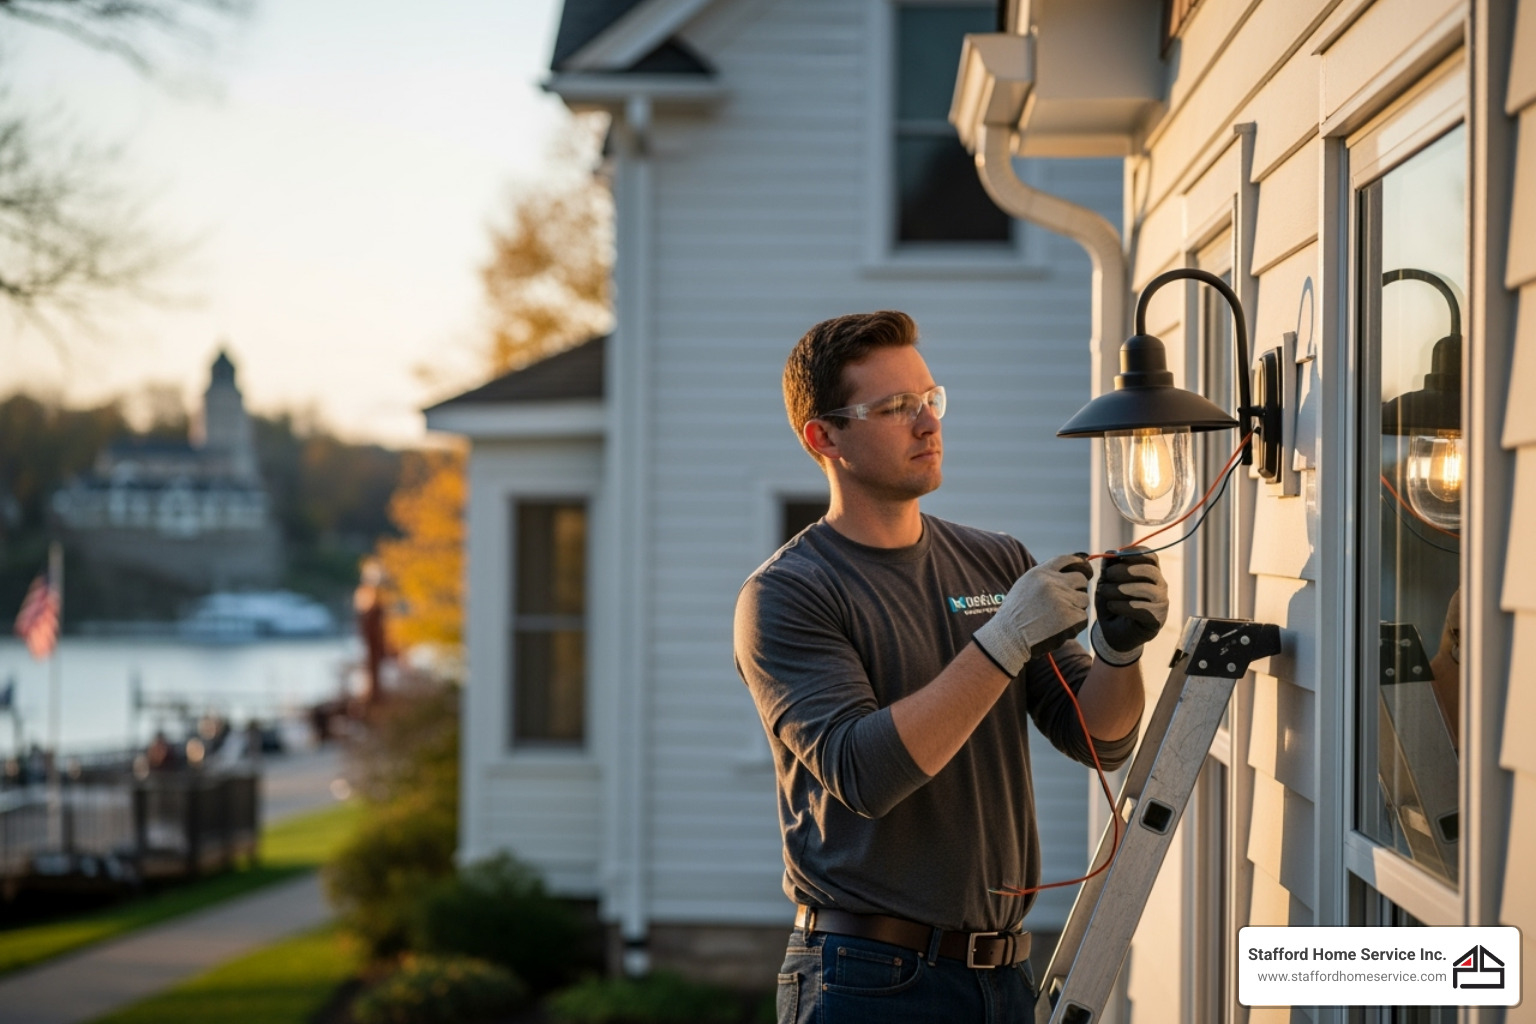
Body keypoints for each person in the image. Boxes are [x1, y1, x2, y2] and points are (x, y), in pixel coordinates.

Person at [733, 311, 1170, 1023]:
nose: (927, 424)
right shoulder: (788, 593)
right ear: (825, 437)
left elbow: (1101, 739)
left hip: (1003, 976)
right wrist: (1003, 641)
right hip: (868, 980)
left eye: (931, 400)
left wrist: (1121, 653)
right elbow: (864, 774)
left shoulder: (996, 560)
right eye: (895, 408)